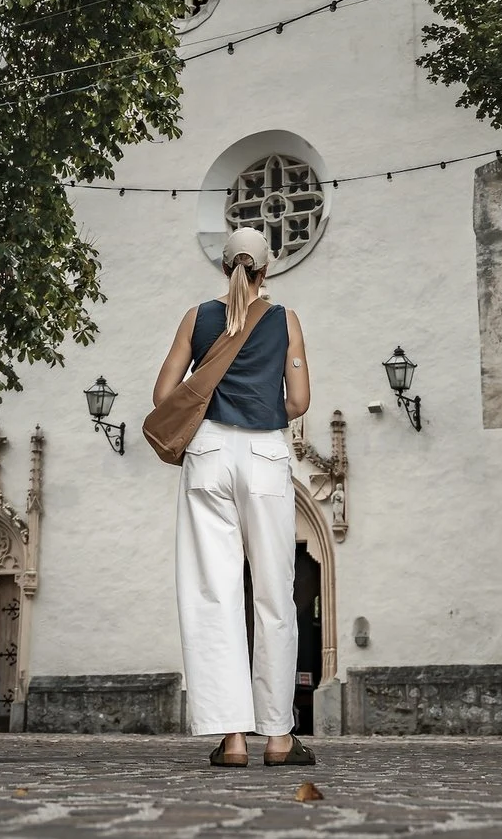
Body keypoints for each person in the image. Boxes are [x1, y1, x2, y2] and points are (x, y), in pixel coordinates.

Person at [153, 225, 313, 767]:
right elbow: (300, 400)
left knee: (213, 595)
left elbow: (164, 395)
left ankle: (232, 739)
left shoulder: (196, 318)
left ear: (225, 268)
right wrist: (265, 408)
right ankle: (279, 738)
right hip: (266, 455)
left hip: (209, 454)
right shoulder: (285, 319)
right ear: (266, 270)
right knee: (274, 594)